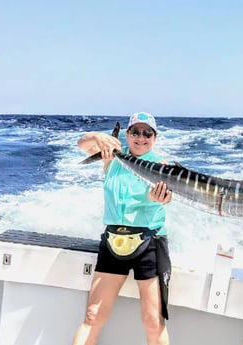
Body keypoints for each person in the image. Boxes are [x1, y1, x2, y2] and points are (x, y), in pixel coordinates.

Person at [72, 112, 172, 345]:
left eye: (147, 133)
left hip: (149, 242)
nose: (141, 137)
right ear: (127, 135)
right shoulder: (112, 158)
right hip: (113, 241)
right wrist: (98, 137)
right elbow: (81, 145)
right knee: (92, 315)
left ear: (154, 138)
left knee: (152, 320)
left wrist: (161, 197)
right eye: (135, 132)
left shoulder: (161, 166)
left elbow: (168, 196)